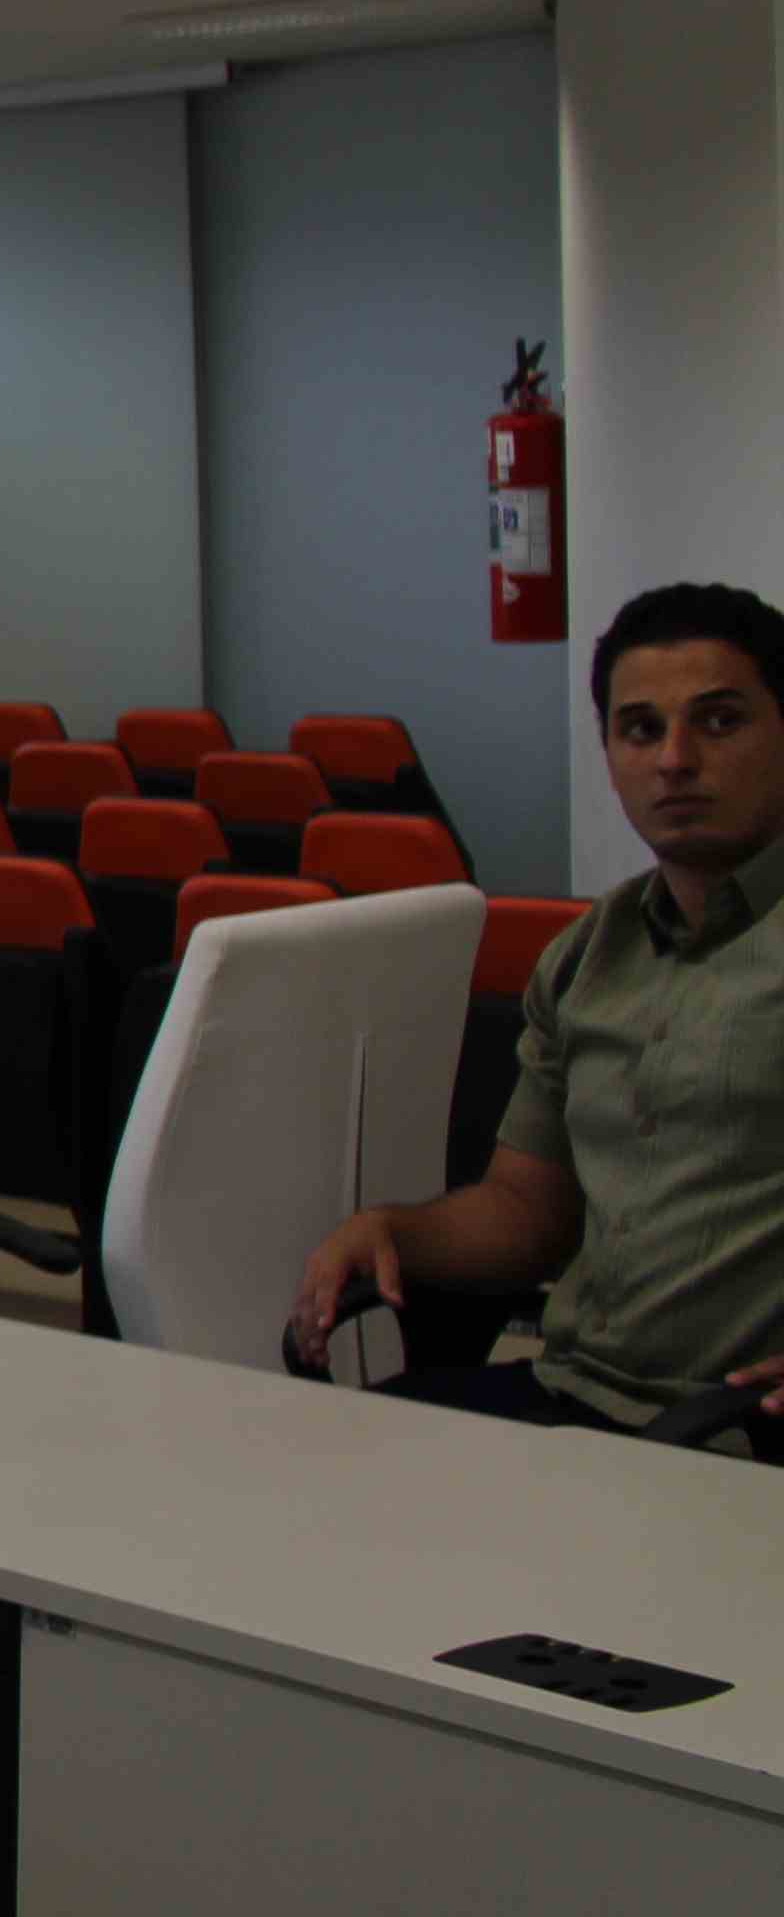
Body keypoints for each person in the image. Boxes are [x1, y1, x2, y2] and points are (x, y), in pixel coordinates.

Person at [292, 580, 784, 1439]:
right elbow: (525, 1213)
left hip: (742, 1433)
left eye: (718, 721)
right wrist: (387, 1229)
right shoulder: (588, 955)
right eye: (641, 729)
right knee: (300, 1463)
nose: (674, 759)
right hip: (573, 1394)